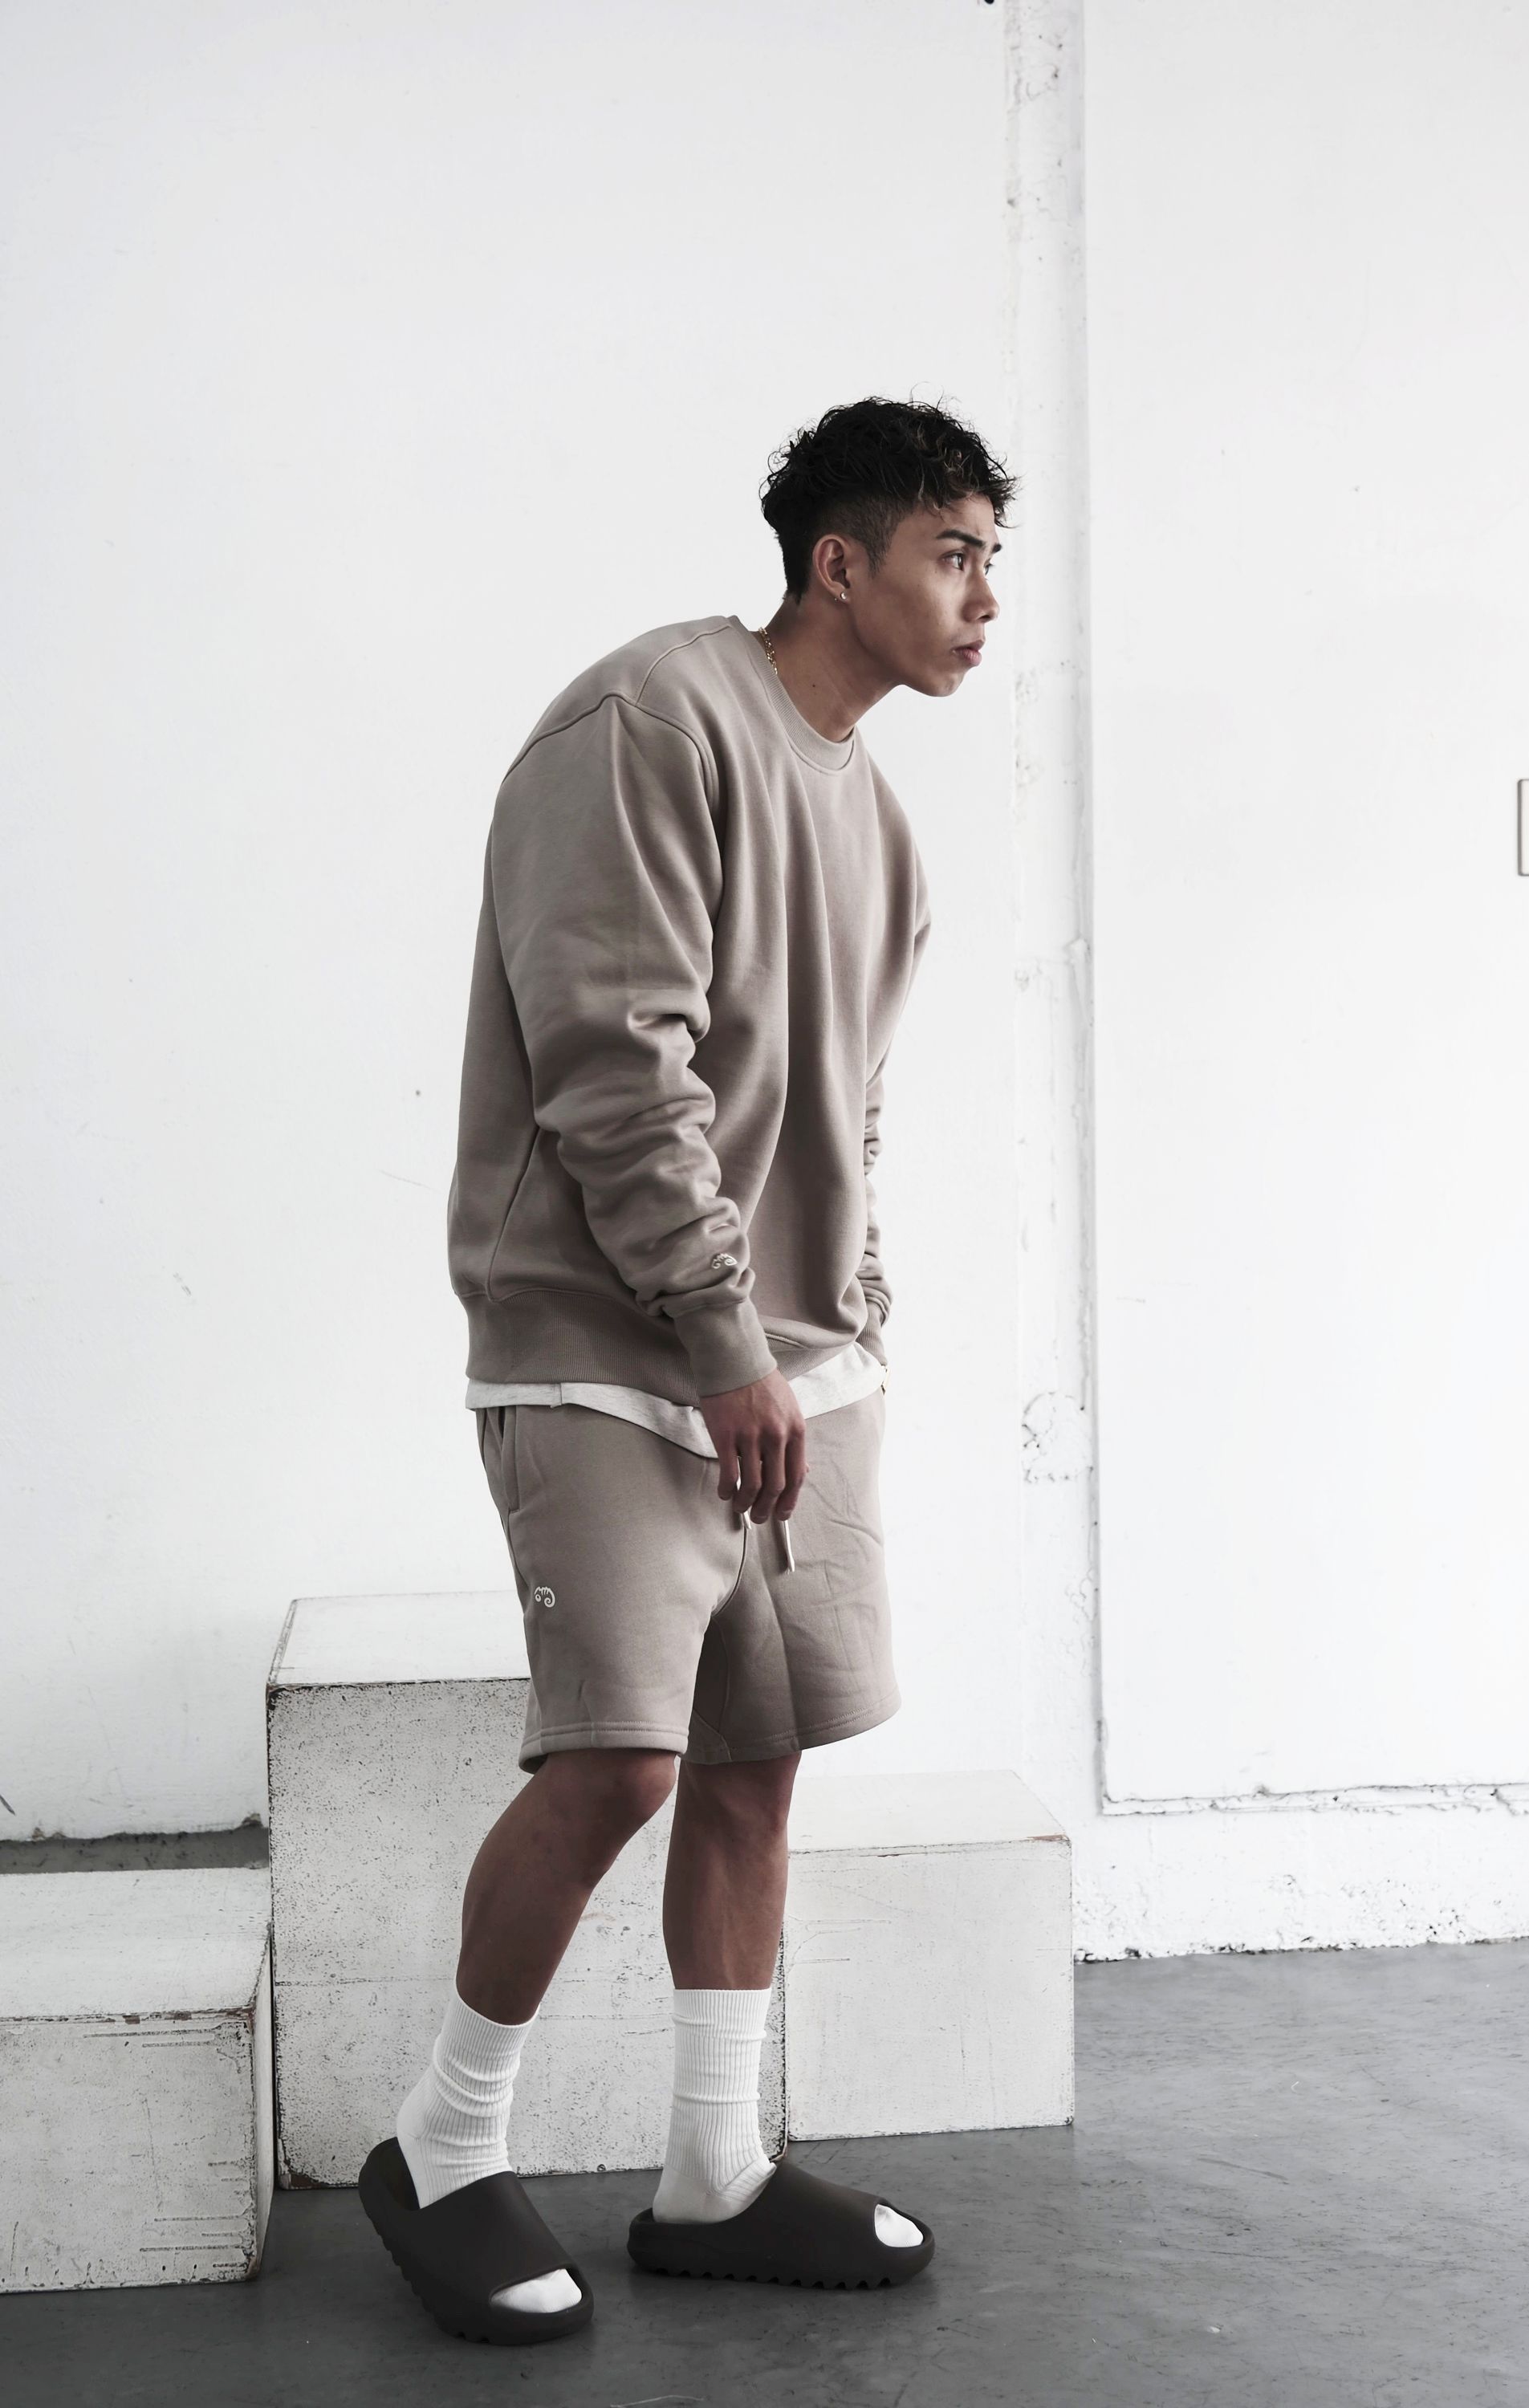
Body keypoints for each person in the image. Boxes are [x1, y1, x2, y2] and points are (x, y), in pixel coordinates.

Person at [358, 396, 1011, 2341]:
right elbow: (610, 1064)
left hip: (799, 1364)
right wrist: (724, 1336)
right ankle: (443, 2146)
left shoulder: (880, 819)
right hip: (603, 1344)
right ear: (840, 562)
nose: (985, 599)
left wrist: (847, 1316)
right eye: (954, 555)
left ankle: (714, 2171)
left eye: (993, 560)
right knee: (620, 1760)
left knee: (753, 1763)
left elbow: (848, 1101)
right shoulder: (648, 720)